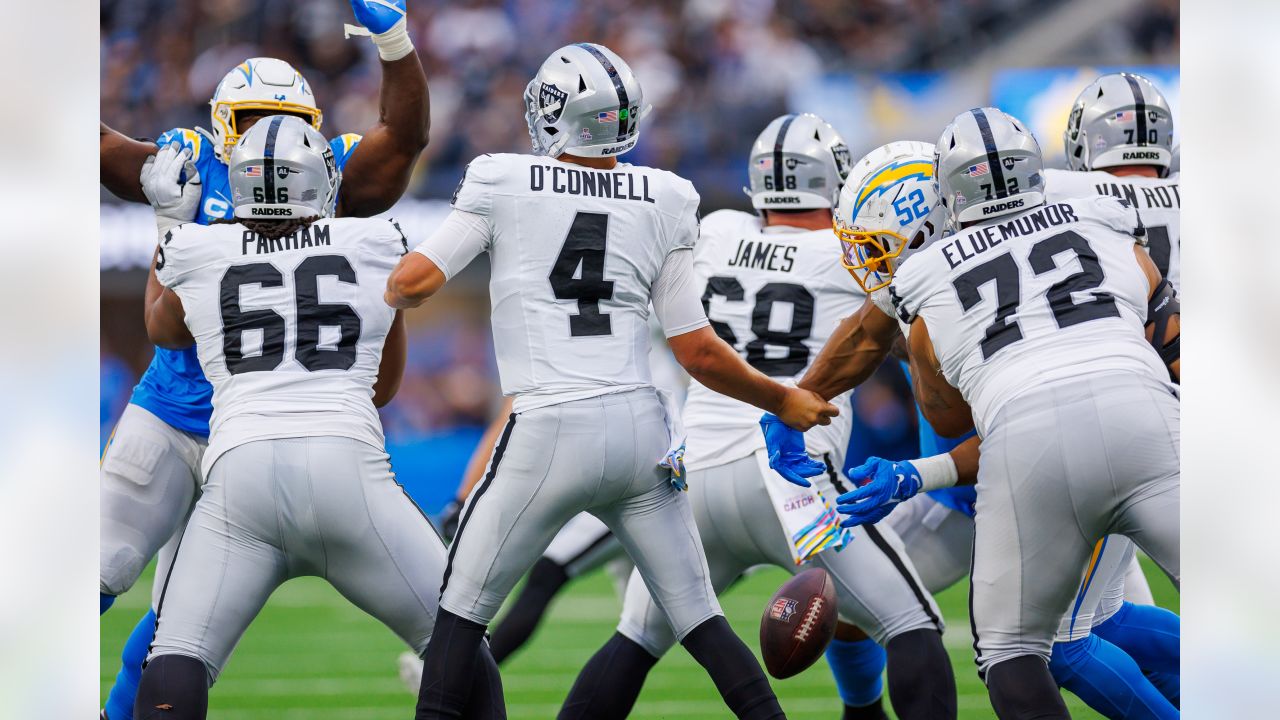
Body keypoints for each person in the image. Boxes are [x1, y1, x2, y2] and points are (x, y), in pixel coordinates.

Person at [384, 43, 836, 720]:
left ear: (560, 114)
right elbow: (700, 352)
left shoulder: (502, 179)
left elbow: (410, 285)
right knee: (702, 621)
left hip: (548, 427)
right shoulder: (665, 195)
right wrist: (783, 398)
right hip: (640, 434)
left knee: (458, 615)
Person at [98, 3, 429, 718]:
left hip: (251, 433)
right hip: (175, 414)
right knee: (97, 571)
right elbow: (93, 147)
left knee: (167, 639)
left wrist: (396, 45)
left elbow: (403, 139)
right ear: (221, 123)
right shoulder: (188, 159)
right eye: (246, 120)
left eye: (282, 121)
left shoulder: (330, 172)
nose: (264, 138)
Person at [559, 126, 956, 720]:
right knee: (912, 624)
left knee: (636, 639)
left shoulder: (716, 233)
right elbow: (893, 338)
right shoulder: (845, 254)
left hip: (693, 483)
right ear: (836, 180)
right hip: (792, 480)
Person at [130, 116, 502, 720]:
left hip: (239, 479)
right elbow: (383, 389)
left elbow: (160, 327)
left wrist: (170, 226)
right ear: (320, 181)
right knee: (458, 643)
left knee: (174, 658)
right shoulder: (374, 242)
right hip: (346, 473)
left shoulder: (199, 250)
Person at [858, 107, 1180, 719]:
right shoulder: (1103, 217)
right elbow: (1170, 339)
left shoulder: (924, 278)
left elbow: (951, 420)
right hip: (1148, 413)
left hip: (1028, 445)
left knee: (1013, 649)